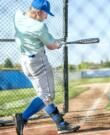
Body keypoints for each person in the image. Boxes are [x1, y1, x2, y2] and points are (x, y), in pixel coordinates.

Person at [14, 0, 80, 134]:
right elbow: (51, 46)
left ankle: (61, 124)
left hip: (25, 62)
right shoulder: (39, 27)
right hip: (38, 62)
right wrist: (57, 44)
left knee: (43, 95)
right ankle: (23, 117)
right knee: (47, 95)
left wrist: (54, 42)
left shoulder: (18, 16)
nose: (46, 17)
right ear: (38, 12)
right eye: (45, 14)